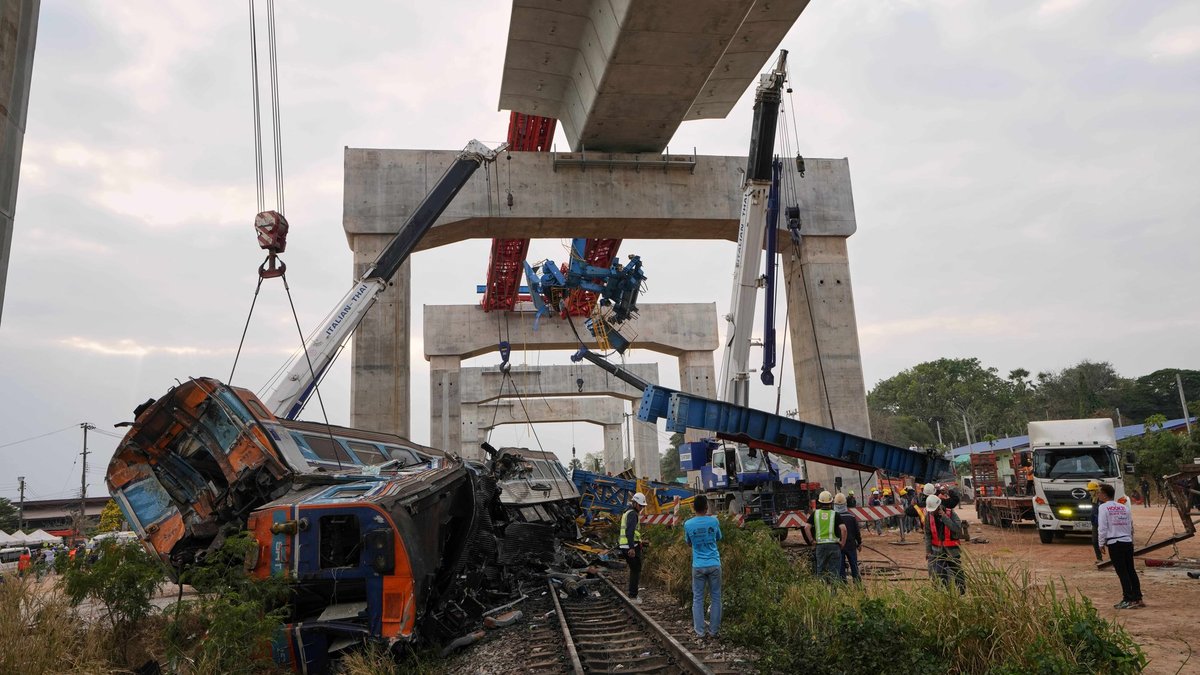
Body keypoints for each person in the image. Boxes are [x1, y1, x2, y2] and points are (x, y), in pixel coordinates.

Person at [1098, 483, 1143, 608]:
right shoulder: (1123, 507)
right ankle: (1138, 597)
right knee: (1131, 570)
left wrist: (1101, 543)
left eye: (1099, 493)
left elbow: (1102, 527)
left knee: (1122, 571)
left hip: (1115, 543)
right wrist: (1131, 540)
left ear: (1104, 495)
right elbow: (1130, 525)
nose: (1097, 495)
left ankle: (1127, 599)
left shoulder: (1103, 508)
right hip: (1127, 541)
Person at [684, 495, 722, 638]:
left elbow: (688, 542)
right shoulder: (714, 521)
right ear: (706, 507)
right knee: (716, 597)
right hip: (714, 564)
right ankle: (714, 631)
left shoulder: (688, 524)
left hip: (698, 565)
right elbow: (718, 538)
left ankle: (699, 632)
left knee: (698, 598)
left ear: (693, 508)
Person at [927, 495, 965, 594]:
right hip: (937, 551)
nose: (932, 512)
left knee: (957, 573)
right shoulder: (929, 516)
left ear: (939, 506)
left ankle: (961, 592)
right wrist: (928, 550)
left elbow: (956, 529)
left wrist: (944, 517)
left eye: (934, 510)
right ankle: (944, 593)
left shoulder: (950, 513)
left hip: (952, 550)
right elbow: (927, 534)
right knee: (939, 573)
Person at [620, 492, 651, 603]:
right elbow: (630, 531)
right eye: (641, 506)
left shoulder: (627, 512)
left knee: (635, 569)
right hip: (630, 546)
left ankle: (632, 594)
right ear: (635, 504)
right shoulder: (633, 514)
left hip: (626, 545)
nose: (642, 508)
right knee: (636, 570)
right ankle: (633, 596)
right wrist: (632, 548)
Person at [811, 491, 847, 583]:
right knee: (834, 572)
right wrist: (842, 543)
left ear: (819, 502)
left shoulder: (815, 514)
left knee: (820, 571)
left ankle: (822, 594)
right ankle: (833, 594)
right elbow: (844, 529)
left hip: (820, 546)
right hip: (834, 546)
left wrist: (812, 541)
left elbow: (806, 527)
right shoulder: (835, 514)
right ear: (831, 502)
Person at [833, 493, 862, 582]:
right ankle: (857, 583)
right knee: (853, 564)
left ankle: (843, 583)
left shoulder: (833, 517)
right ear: (845, 504)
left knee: (840, 565)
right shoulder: (851, 517)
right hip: (851, 545)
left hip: (839, 545)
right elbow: (857, 532)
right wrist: (859, 543)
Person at [1087, 480, 1103, 562]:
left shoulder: (1102, 499)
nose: (1090, 492)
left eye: (1091, 490)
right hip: (1095, 523)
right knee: (1094, 541)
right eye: (1089, 491)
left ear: (1096, 490)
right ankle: (1099, 558)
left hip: (1102, 523)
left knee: (1107, 541)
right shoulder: (1092, 499)